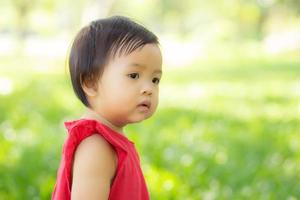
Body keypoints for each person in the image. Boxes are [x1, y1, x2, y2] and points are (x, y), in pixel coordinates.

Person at [51, 15, 162, 200]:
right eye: (134, 75)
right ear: (91, 83)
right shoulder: (96, 147)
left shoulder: (111, 140)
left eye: (155, 80)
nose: (148, 89)